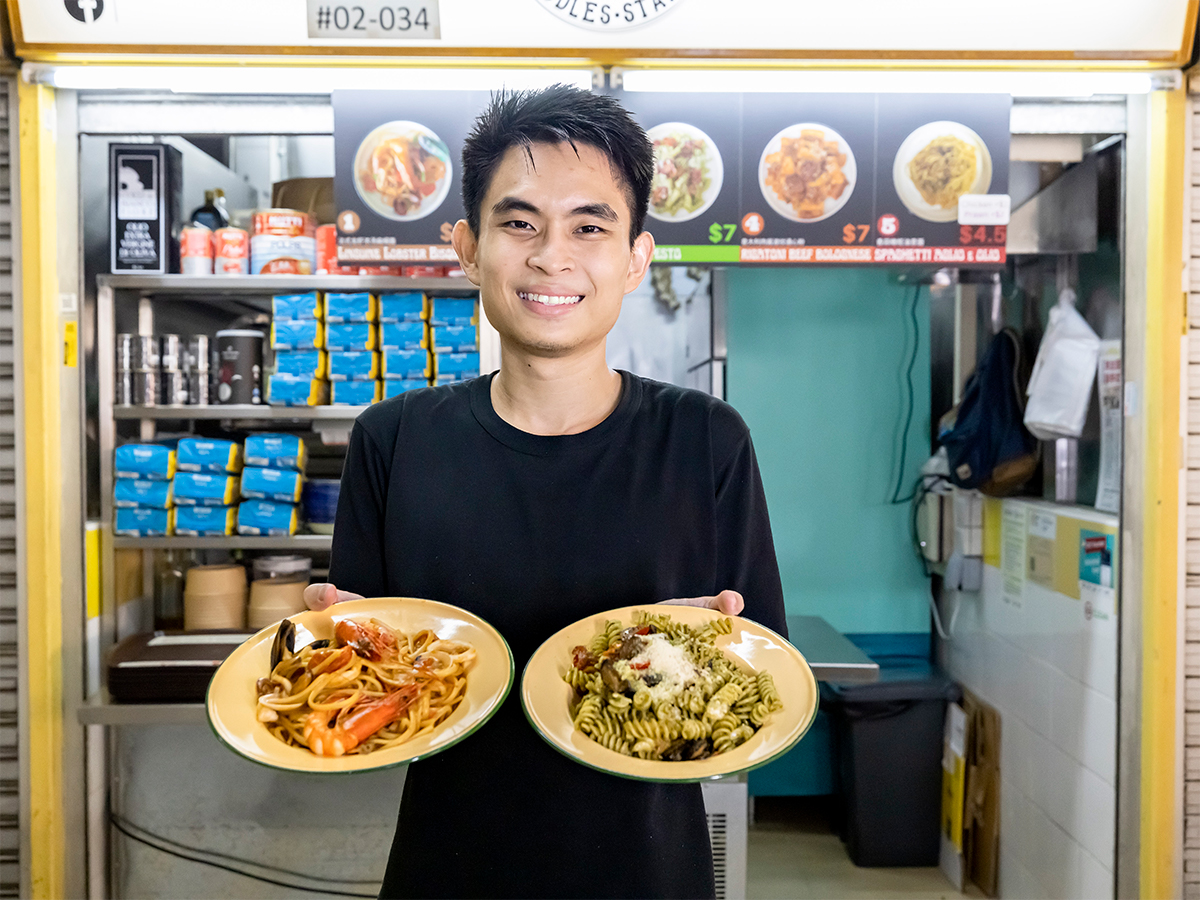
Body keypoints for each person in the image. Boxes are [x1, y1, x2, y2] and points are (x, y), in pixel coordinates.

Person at [305, 84, 786, 900]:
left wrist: (714, 661)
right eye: (519, 222)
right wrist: (330, 655)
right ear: (466, 246)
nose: (551, 256)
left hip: (649, 872)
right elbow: (370, 674)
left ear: (636, 256)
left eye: (590, 226)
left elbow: (767, 674)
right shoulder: (392, 440)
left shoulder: (706, 440)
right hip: (446, 869)